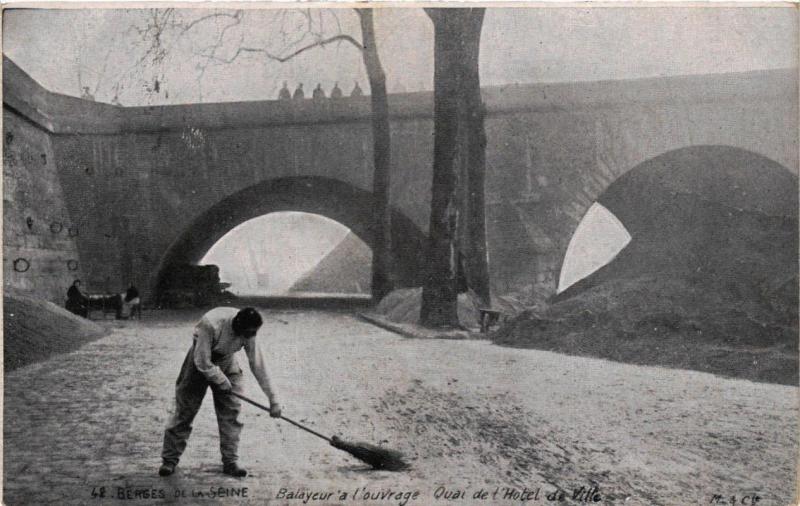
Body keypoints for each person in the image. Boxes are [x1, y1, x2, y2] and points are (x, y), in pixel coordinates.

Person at [159, 307, 282, 478]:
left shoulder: (250, 330)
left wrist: (273, 400)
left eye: (252, 334)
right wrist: (221, 380)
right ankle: (169, 460)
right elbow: (202, 361)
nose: (248, 337)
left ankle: (230, 461)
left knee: (232, 413)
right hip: (198, 362)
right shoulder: (211, 323)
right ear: (237, 326)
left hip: (227, 361)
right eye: (245, 334)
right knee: (185, 411)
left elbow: (258, 365)